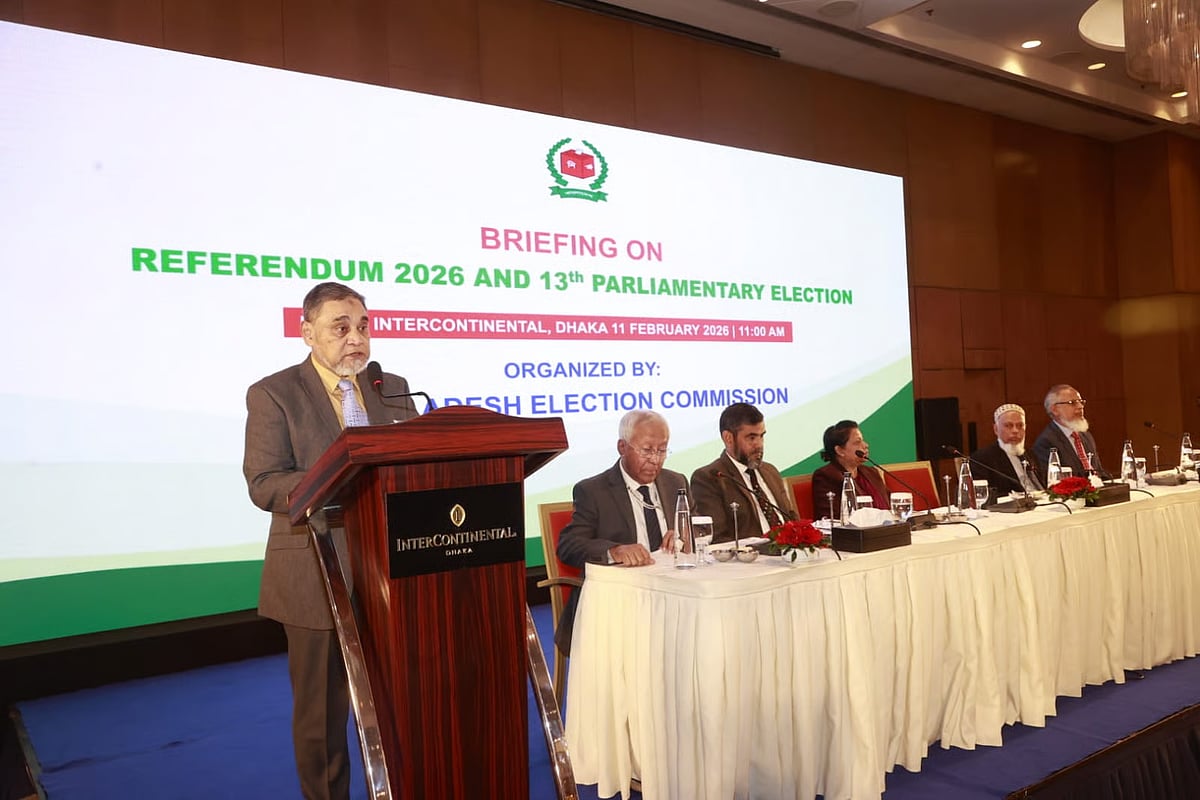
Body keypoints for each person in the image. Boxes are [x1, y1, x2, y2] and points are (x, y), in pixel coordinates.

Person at [243, 282, 418, 800]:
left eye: (363, 326)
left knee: (396, 702)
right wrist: (334, 480)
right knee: (322, 715)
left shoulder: (391, 385)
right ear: (308, 333)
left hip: (389, 565)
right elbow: (264, 481)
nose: (356, 338)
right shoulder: (274, 393)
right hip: (315, 571)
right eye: (341, 327)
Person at [554, 410, 689, 655]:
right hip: (620, 601)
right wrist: (614, 551)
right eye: (647, 450)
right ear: (622, 447)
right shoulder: (593, 491)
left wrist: (686, 535)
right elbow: (569, 545)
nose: (656, 459)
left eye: (662, 450)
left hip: (675, 594)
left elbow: (696, 527)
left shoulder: (676, 482)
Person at [690, 402, 798, 543]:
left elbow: (792, 519)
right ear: (728, 438)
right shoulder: (709, 478)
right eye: (751, 438)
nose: (759, 445)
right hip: (752, 559)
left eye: (762, 436)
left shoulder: (770, 471)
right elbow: (719, 538)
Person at [810, 420, 889, 520]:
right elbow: (831, 519)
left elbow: (890, 507)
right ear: (840, 450)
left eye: (863, 440)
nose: (865, 445)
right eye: (857, 442)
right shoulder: (826, 476)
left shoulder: (872, 472)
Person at [1031, 384, 1111, 480]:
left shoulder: (1085, 435)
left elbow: (1098, 471)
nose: (1080, 406)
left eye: (1081, 402)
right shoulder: (1046, 442)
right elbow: (1056, 481)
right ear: (1055, 410)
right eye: (1072, 403)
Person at [969, 403, 1043, 499]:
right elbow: (983, 495)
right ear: (996, 429)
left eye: (1020, 425)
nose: (1015, 431)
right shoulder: (982, 459)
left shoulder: (1031, 454)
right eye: (1008, 426)